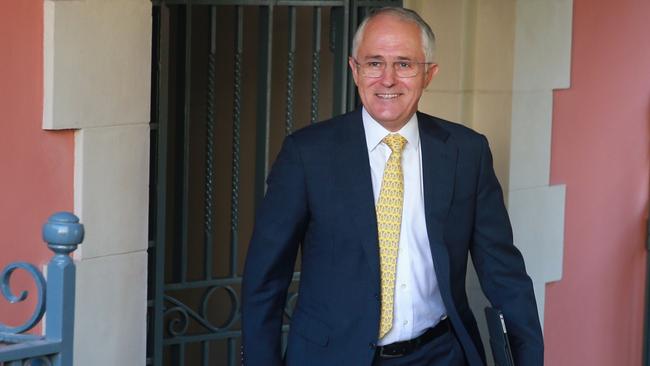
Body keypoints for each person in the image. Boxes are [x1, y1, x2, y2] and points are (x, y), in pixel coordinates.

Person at [242, 7, 543, 366]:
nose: (387, 79)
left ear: (428, 74)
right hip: (331, 356)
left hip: (441, 354)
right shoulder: (306, 154)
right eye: (374, 63)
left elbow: (504, 273)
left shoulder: (467, 152)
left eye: (404, 64)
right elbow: (265, 279)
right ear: (355, 70)